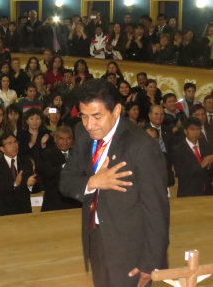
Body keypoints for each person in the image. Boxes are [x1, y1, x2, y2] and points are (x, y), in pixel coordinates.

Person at [59, 79, 169, 287]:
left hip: (131, 249)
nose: (89, 125)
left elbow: (157, 209)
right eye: (84, 116)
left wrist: (151, 262)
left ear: (116, 110)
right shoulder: (83, 134)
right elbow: (65, 181)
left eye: (96, 116)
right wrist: (92, 182)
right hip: (97, 238)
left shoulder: (142, 146)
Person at [0, 132, 39, 217]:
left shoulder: (26, 162)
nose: (14, 145)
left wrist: (30, 185)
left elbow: (37, 187)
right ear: (2, 149)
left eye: (15, 142)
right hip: (3, 213)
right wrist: (15, 184)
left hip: (24, 212)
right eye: (9, 143)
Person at [37, 126, 82, 212]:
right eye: (61, 138)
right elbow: (48, 172)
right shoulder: (47, 154)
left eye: (68, 138)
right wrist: (65, 166)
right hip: (54, 202)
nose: (65, 142)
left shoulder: (77, 154)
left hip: (74, 202)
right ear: (55, 139)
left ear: (72, 140)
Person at [171, 117, 213, 197]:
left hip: (207, 192)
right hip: (188, 193)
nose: (195, 132)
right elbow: (181, 174)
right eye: (192, 129)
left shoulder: (206, 146)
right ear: (185, 131)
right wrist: (202, 164)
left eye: (198, 129)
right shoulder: (178, 150)